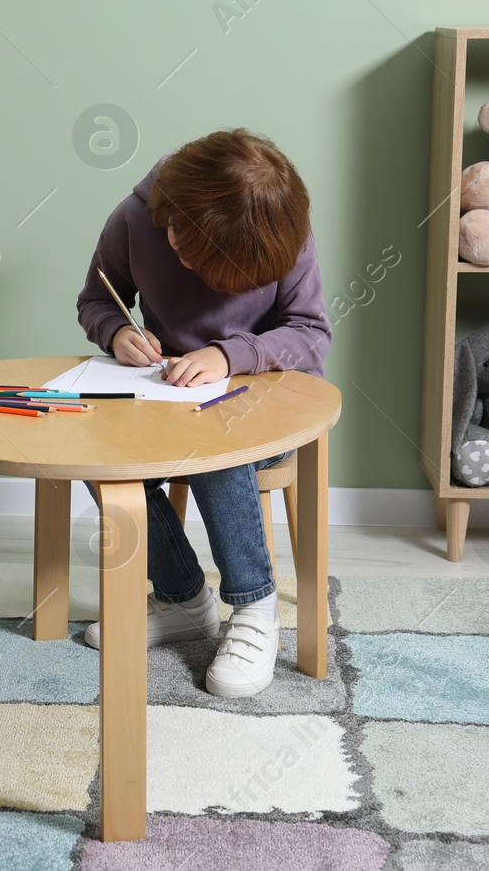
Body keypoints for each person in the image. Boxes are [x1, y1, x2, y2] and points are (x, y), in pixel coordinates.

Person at [75, 129, 331, 698]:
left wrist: (231, 354)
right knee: (93, 446)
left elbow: (312, 334)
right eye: (184, 250)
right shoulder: (133, 219)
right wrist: (117, 332)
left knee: (217, 449)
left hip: (268, 405)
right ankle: (182, 598)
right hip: (168, 398)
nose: (187, 265)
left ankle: (255, 607)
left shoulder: (281, 232)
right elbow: (96, 300)